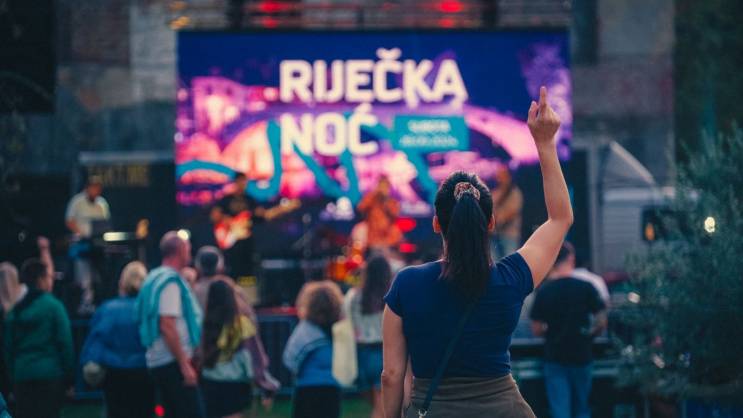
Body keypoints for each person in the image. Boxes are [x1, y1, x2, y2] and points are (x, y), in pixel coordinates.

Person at [382, 86, 573, 418]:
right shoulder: (511, 278)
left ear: (437, 224)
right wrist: (545, 143)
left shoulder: (407, 283)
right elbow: (560, 218)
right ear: (491, 223)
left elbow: (392, 375)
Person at [530, 243, 607, 418]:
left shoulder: (544, 291)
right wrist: (590, 335)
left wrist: (550, 333)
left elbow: (536, 329)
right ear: (571, 258)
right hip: (582, 355)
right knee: (582, 408)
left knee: (560, 410)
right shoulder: (586, 287)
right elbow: (602, 322)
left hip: (554, 357)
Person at [192, 246, 279, 400]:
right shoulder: (231, 289)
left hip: (203, 361)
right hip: (231, 362)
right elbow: (251, 322)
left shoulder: (192, 291)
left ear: (198, 265)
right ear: (220, 265)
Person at [136, 231, 204, 418]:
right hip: (171, 362)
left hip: (161, 360)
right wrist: (184, 365)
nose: (190, 254)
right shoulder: (170, 283)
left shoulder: (155, 277)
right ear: (180, 250)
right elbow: (167, 325)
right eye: (188, 249)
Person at [80, 261, 155, 418]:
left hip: (114, 373)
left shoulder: (107, 309)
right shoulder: (150, 309)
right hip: (144, 372)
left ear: (122, 282)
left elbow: (95, 343)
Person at [4, 258, 74, 418]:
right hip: (50, 374)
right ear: (41, 279)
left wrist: (13, 375)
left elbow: (8, 348)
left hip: (22, 374)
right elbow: (65, 343)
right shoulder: (53, 306)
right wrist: (69, 378)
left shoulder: (14, 311)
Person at [199, 280, 278, 418]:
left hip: (208, 382)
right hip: (235, 384)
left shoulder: (204, 324)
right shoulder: (241, 324)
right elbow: (255, 358)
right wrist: (266, 385)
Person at [210, 172, 298, 281]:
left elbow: (265, 215)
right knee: (231, 270)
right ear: (236, 182)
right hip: (231, 243)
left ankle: (247, 286)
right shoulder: (226, 200)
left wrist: (284, 209)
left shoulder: (250, 200)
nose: (243, 184)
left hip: (246, 243)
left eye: (245, 181)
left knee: (247, 270)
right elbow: (214, 216)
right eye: (241, 181)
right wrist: (231, 222)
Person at [283, 281, 344, 418]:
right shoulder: (339, 329)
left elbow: (289, 358)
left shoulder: (305, 330)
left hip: (306, 388)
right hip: (332, 388)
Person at [344, 255, 392, 418]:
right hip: (382, 351)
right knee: (382, 408)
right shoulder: (389, 297)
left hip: (360, 353)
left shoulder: (353, 296)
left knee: (377, 406)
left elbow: (345, 320)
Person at [66, 175, 111, 314]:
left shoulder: (102, 203)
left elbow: (105, 223)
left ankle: (99, 303)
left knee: (99, 276)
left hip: (97, 245)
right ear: (87, 188)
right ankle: (84, 304)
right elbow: (69, 221)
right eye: (94, 187)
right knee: (83, 277)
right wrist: (82, 233)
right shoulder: (77, 202)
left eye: (98, 188)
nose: (96, 191)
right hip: (81, 245)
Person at [356, 176, 403, 252]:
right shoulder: (372, 199)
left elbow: (395, 215)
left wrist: (385, 201)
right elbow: (360, 207)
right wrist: (374, 195)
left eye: (385, 187)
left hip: (388, 240)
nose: (383, 189)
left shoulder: (392, 203)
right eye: (381, 186)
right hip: (373, 240)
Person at [490, 165, 524, 260]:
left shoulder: (515, 193)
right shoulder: (495, 192)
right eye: (499, 175)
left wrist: (496, 217)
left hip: (509, 235)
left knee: (509, 261)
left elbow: (510, 213)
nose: (499, 177)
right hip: (494, 236)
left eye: (503, 175)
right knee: (494, 262)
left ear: (509, 176)